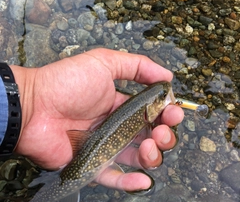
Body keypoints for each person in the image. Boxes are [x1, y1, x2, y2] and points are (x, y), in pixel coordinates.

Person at [0, 48, 184, 192]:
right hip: (75, 169)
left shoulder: (144, 116)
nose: (165, 97)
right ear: (147, 111)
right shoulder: (144, 118)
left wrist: (28, 99)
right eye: (161, 98)